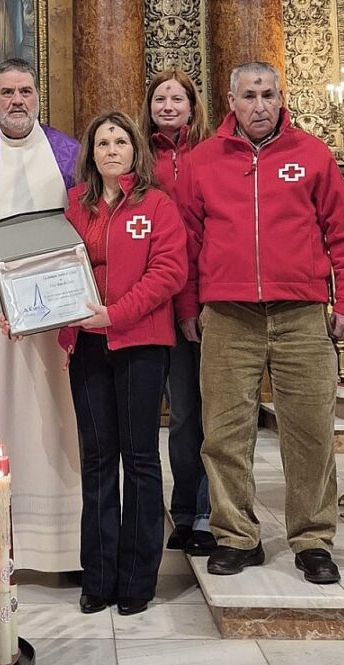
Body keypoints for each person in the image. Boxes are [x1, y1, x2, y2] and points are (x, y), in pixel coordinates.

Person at [175, 62, 344, 584]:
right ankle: (236, 536)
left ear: (281, 98)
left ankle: (312, 539)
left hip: (302, 314)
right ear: (230, 101)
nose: (259, 105)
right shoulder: (202, 161)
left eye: (268, 94)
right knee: (224, 435)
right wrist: (188, 308)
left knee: (309, 434)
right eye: (249, 95)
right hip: (228, 315)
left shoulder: (311, 154)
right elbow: (187, 243)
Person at [53, 111, 187, 616]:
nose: (111, 148)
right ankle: (100, 575)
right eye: (102, 142)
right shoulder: (75, 205)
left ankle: (136, 579)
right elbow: (58, 271)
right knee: (98, 460)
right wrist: (36, 316)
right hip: (87, 347)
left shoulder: (157, 205)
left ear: (135, 150)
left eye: (120, 140)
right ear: (90, 153)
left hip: (141, 343)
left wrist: (116, 314)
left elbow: (169, 273)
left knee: (140, 460)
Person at [0, 57, 82, 572]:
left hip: (60, 306)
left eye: (25, 91)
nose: (16, 101)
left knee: (59, 413)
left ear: (37, 96)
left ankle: (67, 543)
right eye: (6, 92)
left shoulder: (69, 152)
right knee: (2, 408)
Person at [138, 69, 215, 557]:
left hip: (209, 298)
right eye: (159, 97)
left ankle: (209, 513)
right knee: (181, 414)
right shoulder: (139, 158)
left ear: (192, 106)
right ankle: (183, 510)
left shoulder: (210, 154)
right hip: (155, 301)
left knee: (212, 413)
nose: (167, 104)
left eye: (176, 98)